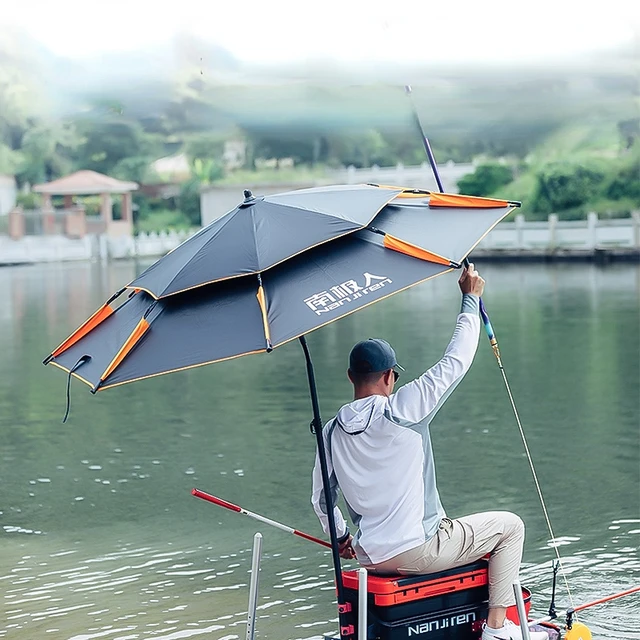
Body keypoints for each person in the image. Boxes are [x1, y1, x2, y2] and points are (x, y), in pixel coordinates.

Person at [311, 263, 548, 640]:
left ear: (350, 376)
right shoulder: (402, 410)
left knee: (468, 534)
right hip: (419, 551)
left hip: (370, 556)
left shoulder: (331, 431)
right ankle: (497, 629)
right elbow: (455, 362)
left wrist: (341, 538)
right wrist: (470, 299)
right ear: (390, 377)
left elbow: (322, 499)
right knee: (509, 527)